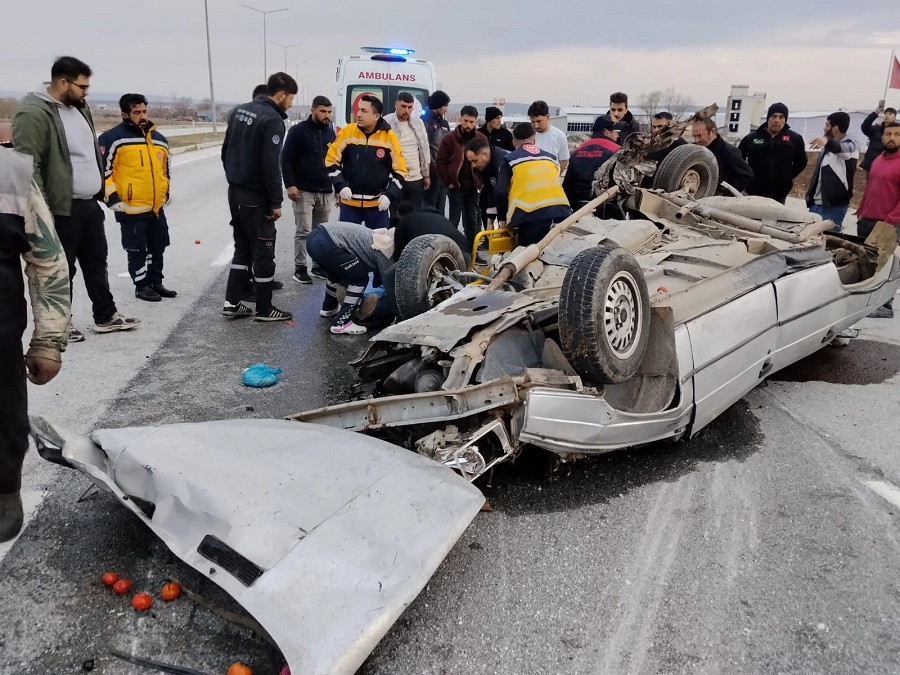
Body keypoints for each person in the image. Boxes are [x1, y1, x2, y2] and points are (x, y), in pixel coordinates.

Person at [13, 56, 139, 341]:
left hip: (88, 204)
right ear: (62, 82)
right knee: (61, 269)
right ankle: (60, 325)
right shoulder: (34, 113)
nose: (86, 92)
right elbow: (28, 164)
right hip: (60, 208)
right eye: (82, 87)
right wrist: (42, 210)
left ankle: (105, 316)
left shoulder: (79, 107)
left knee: (97, 262)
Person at [0, 147, 70, 542]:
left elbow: (47, 260)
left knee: (4, 428)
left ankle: (3, 492)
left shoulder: (9, 172)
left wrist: (48, 340)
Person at [220, 71, 298, 322]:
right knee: (264, 251)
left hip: (235, 192)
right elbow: (271, 165)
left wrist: (234, 178)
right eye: (291, 98)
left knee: (242, 248)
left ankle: (232, 303)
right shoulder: (272, 120)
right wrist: (275, 202)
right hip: (256, 197)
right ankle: (264, 309)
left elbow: (225, 151)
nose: (291, 104)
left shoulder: (239, 111)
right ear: (281, 95)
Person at [97, 94, 177, 302]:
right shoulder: (112, 138)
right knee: (136, 249)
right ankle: (141, 286)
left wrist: (166, 193)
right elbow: (103, 171)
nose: (142, 116)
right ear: (125, 114)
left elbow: (165, 171)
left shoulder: (159, 139)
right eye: (136, 112)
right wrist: (112, 198)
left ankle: (156, 282)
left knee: (158, 246)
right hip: (130, 208)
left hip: (155, 208)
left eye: (144, 111)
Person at [326, 95, 407, 230]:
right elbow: (330, 161)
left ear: (376, 116)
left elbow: (401, 171)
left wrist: (389, 195)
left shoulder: (389, 137)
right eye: (358, 110)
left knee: (379, 242)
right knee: (348, 241)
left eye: (364, 111)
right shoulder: (347, 132)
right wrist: (341, 186)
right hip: (349, 204)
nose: (358, 114)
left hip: (377, 206)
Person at [282, 95, 335, 284]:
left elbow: (336, 161)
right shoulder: (298, 131)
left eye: (329, 112)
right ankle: (300, 269)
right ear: (312, 111)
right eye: (322, 111)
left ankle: (318, 266)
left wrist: (338, 187)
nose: (326, 115)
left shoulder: (330, 133)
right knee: (304, 231)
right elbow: (286, 159)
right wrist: (290, 184)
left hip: (325, 190)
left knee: (321, 233)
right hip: (303, 190)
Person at [307, 221, 395, 335]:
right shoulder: (387, 250)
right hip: (327, 242)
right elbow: (388, 284)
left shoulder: (379, 237)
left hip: (315, 238)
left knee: (336, 273)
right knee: (359, 277)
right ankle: (341, 323)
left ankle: (328, 308)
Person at [495, 123, 572, 246]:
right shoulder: (551, 158)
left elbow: (501, 192)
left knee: (527, 254)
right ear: (534, 140)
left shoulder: (509, 160)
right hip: (562, 213)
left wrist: (502, 220)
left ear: (513, 141)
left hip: (530, 217)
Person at [855, 122, 900, 318]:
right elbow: (870, 188)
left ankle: (885, 305)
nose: (892, 138)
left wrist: (890, 220)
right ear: (882, 137)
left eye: (897, 135)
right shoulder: (877, 160)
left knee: (885, 265)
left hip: (889, 223)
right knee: (868, 263)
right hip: (868, 219)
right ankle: (867, 301)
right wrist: (861, 211)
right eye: (888, 134)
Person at [436, 105, 487, 246]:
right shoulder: (449, 138)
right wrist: (448, 181)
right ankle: (451, 248)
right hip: (456, 185)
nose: (468, 124)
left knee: (472, 220)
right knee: (454, 219)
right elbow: (441, 161)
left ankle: (471, 251)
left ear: (476, 122)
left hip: (473, 186)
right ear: (460, 119)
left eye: (471, 122)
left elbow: (486, 161)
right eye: (465, 121)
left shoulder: (481, 139)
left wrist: (481, 181)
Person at [738, 102, 808, 203]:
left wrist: (786, 177)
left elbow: (801, 162)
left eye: (781, 117)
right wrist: (747, 178)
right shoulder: (751, 138)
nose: (777, 120)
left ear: (785, 120)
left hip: (779, 194)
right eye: (774, 116)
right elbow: (738, 160)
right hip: (753, 192)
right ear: (768, 118)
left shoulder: (795, 139)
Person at [805, 112, 858, 231]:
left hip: (834, 206)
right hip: (816, 204)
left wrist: (827, 141)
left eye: (827, 125)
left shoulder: (850, 145)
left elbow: (841, 149)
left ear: (835, 128)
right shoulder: (827, 147)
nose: (824, 128)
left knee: (828, 239)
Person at [383, 92, 431, 209]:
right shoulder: (386, 122)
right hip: (394, 177)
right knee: (394, 213)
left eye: (410, 107)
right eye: (403, 106)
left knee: (414, 214)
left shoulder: (418, 123)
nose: (407, 110)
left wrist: (426, 175)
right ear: (396, 105)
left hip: (415, 177)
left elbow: (424, 149)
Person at [563, 115, 621, 209]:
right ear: (606, 132)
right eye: (616, 132)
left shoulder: (576, 151)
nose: (618, 135)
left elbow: (567, 184)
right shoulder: (617, 151)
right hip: (605, 206)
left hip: (578, 205)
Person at [691, 118, 754, 195]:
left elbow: (746, 175)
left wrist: (726, 194)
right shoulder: (694, 149)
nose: (696, 140)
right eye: (694, 136)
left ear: (712, 131)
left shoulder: (729, 151)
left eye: (700, 135)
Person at [465, 137, 509, 229]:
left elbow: (502, 193)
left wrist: (502, 219)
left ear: (485, 154)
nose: (473, 165)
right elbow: (489, 191)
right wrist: (490, 219)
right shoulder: (487, 164)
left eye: (475, 161)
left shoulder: (501, 163)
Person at [422, 90, 451, 212]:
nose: (446, 109)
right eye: (445, 105)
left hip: (443, 171)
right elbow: (424, 147)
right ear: (439, 105)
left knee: (441, 206)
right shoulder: (425, 122)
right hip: (432, 170)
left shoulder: (444, 123)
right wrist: (426, 173)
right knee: (430, 206)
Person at [528, 100, 569, 172]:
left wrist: (556, 176)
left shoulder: (559, 136)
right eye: (533, 122)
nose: (536, 125)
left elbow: (564, 160)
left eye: (539, 121)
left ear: (548, 117)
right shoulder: (528, 135)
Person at [861, 104, 897, 173]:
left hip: (889, 164)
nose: (887, 115)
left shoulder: (897, 132)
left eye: (890, 114)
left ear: (894, 117)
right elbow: (865, 127)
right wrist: (875, 113)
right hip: (872, 163)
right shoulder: (876, 129)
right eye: (885, 113)